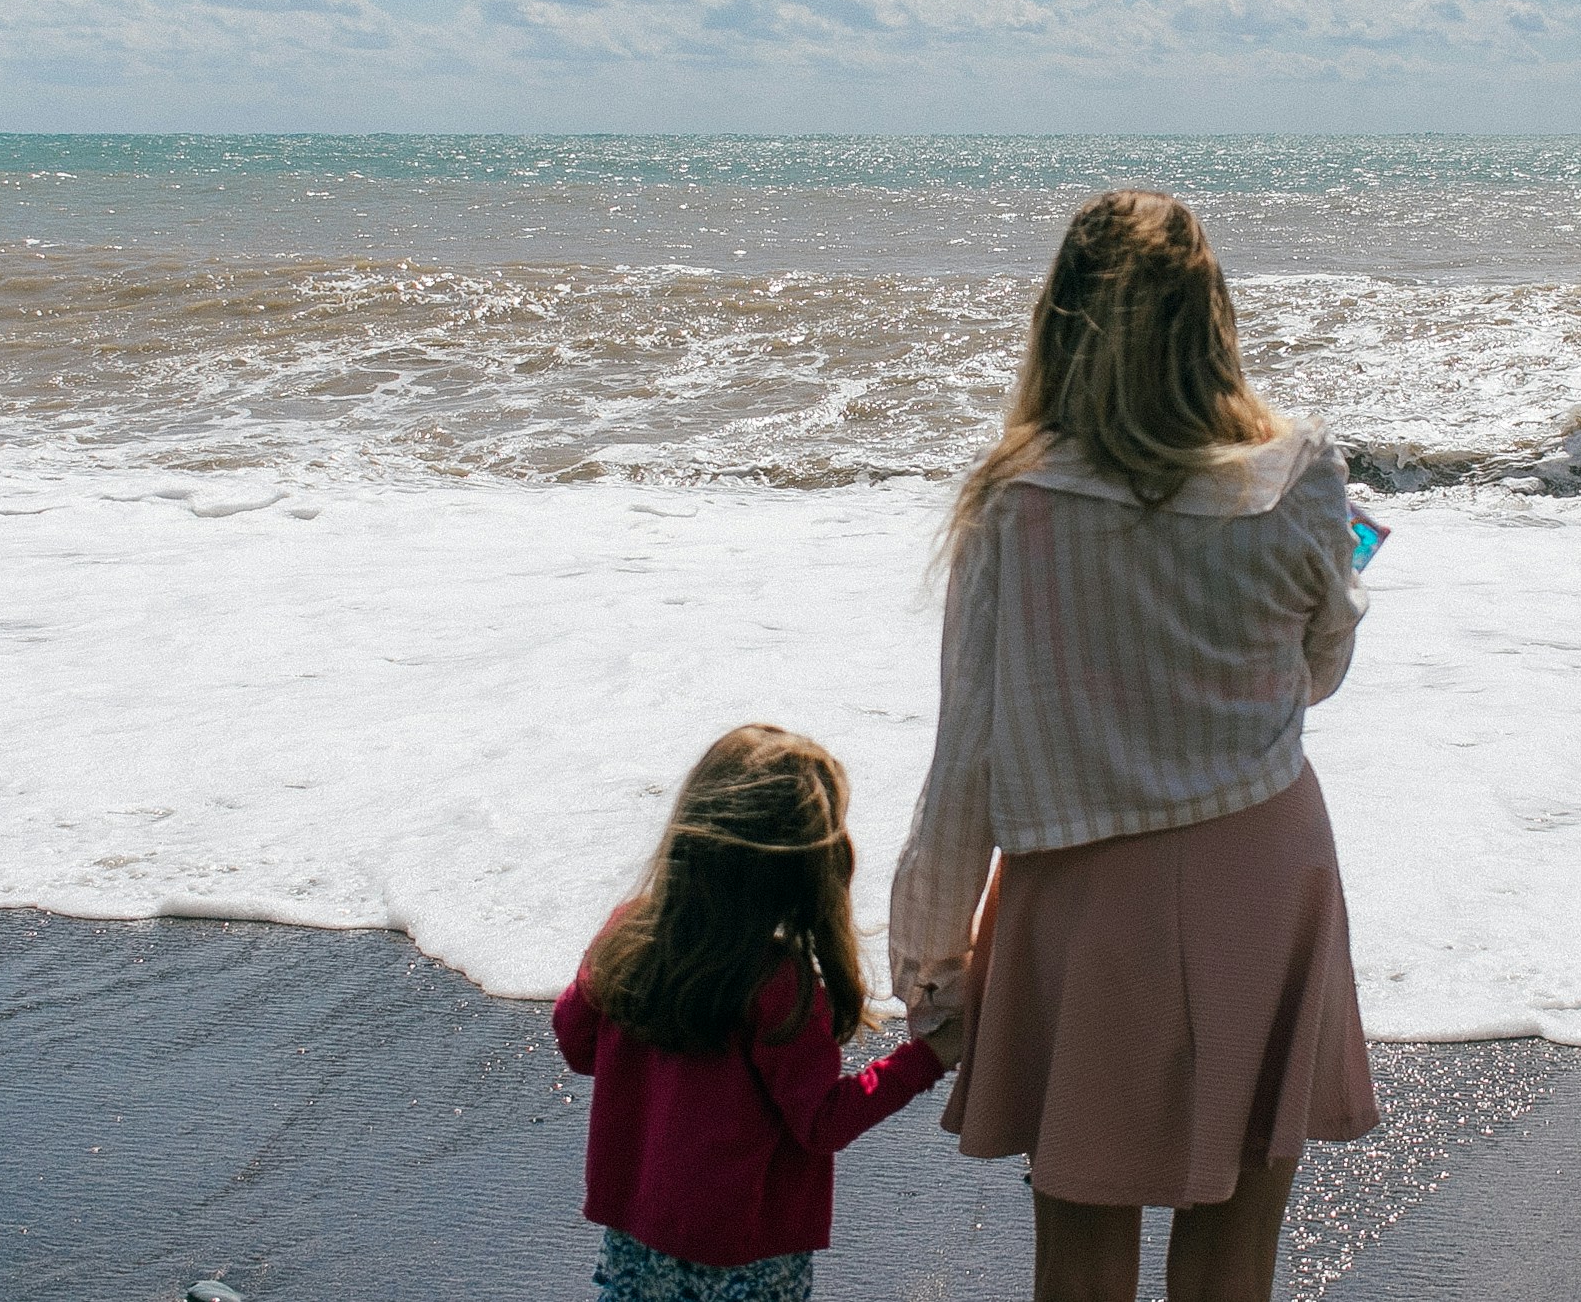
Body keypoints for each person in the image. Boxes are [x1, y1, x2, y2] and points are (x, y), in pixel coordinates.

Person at [891, 188, 1379, 1302]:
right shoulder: (1299, 476)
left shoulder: (1016, 502)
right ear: (1213, 320)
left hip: (1086, 891)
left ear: (1060, 323)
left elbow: (967, 757)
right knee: (1233, 1256)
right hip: (1264, 869)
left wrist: (932, 965)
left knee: (1079, 1262)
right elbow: (1318, 672)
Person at [555, 723, 954, 1301]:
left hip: (638, 1241)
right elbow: (822, 1122)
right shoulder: (778, 986)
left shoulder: (630, 933)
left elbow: (576, 1043)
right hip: (747, 1253)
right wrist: (928, 1058)